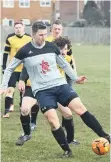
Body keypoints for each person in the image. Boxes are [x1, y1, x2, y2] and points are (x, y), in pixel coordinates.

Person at [0, 21, 110, 157]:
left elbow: (64, 64)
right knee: (53, 121)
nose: (43, 37)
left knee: (80, 109)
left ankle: (105, 136)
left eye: (45, 34)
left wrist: (75, 78)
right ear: (34, 34)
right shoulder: (24, 50)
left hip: (60, 85)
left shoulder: (52, 47)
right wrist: (4, 86)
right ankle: (67, 151)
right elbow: (10, 68)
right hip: (42, 91)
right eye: (41, 35)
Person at [2, 20, 32, 118]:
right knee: (10, 89)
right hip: (13, 69)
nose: (18, 29)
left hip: (25, 69)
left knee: (23, 90)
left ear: (23, 27)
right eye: (16, 27)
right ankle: (6, 111)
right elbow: (5, 53)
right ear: (14, 28)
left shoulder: (29, 38)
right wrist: (4, 67)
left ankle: (22, 108)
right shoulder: (10, 38)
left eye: (20, 27)